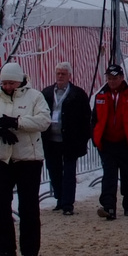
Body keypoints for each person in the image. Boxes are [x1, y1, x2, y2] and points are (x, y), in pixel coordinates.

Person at [0, 62, 51, 256]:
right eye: (4, 83)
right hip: (3, 158)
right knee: (0, 205)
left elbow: (43, 121)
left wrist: (17, 122)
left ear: (20, 81)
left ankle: (29, 251)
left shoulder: (35, 96)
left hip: (29, 159)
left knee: (28, 206)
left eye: (11, 82)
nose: (7, 86)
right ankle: (5, 250)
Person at [92, 63, 128, 219]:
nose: (112, 82)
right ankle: (108, 207)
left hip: (126, 142)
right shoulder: (101, 95)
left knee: (127, 175)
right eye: (109, 78)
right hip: (107, 143)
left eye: (115, 78)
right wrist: (95, 136)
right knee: (109, 176)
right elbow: (94, 119)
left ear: (121, 78)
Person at [42, 62, 92, 216]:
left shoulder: (78, 94)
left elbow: (86, 118)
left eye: (63, 73)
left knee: (69, 172)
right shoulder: (47, 93)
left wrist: (84, 138)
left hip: (70, 140)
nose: (60, 76)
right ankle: (59, 198)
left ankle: (68, 203)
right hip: (51, 140)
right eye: (58, 73)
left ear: (70, 76)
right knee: (54, 170)